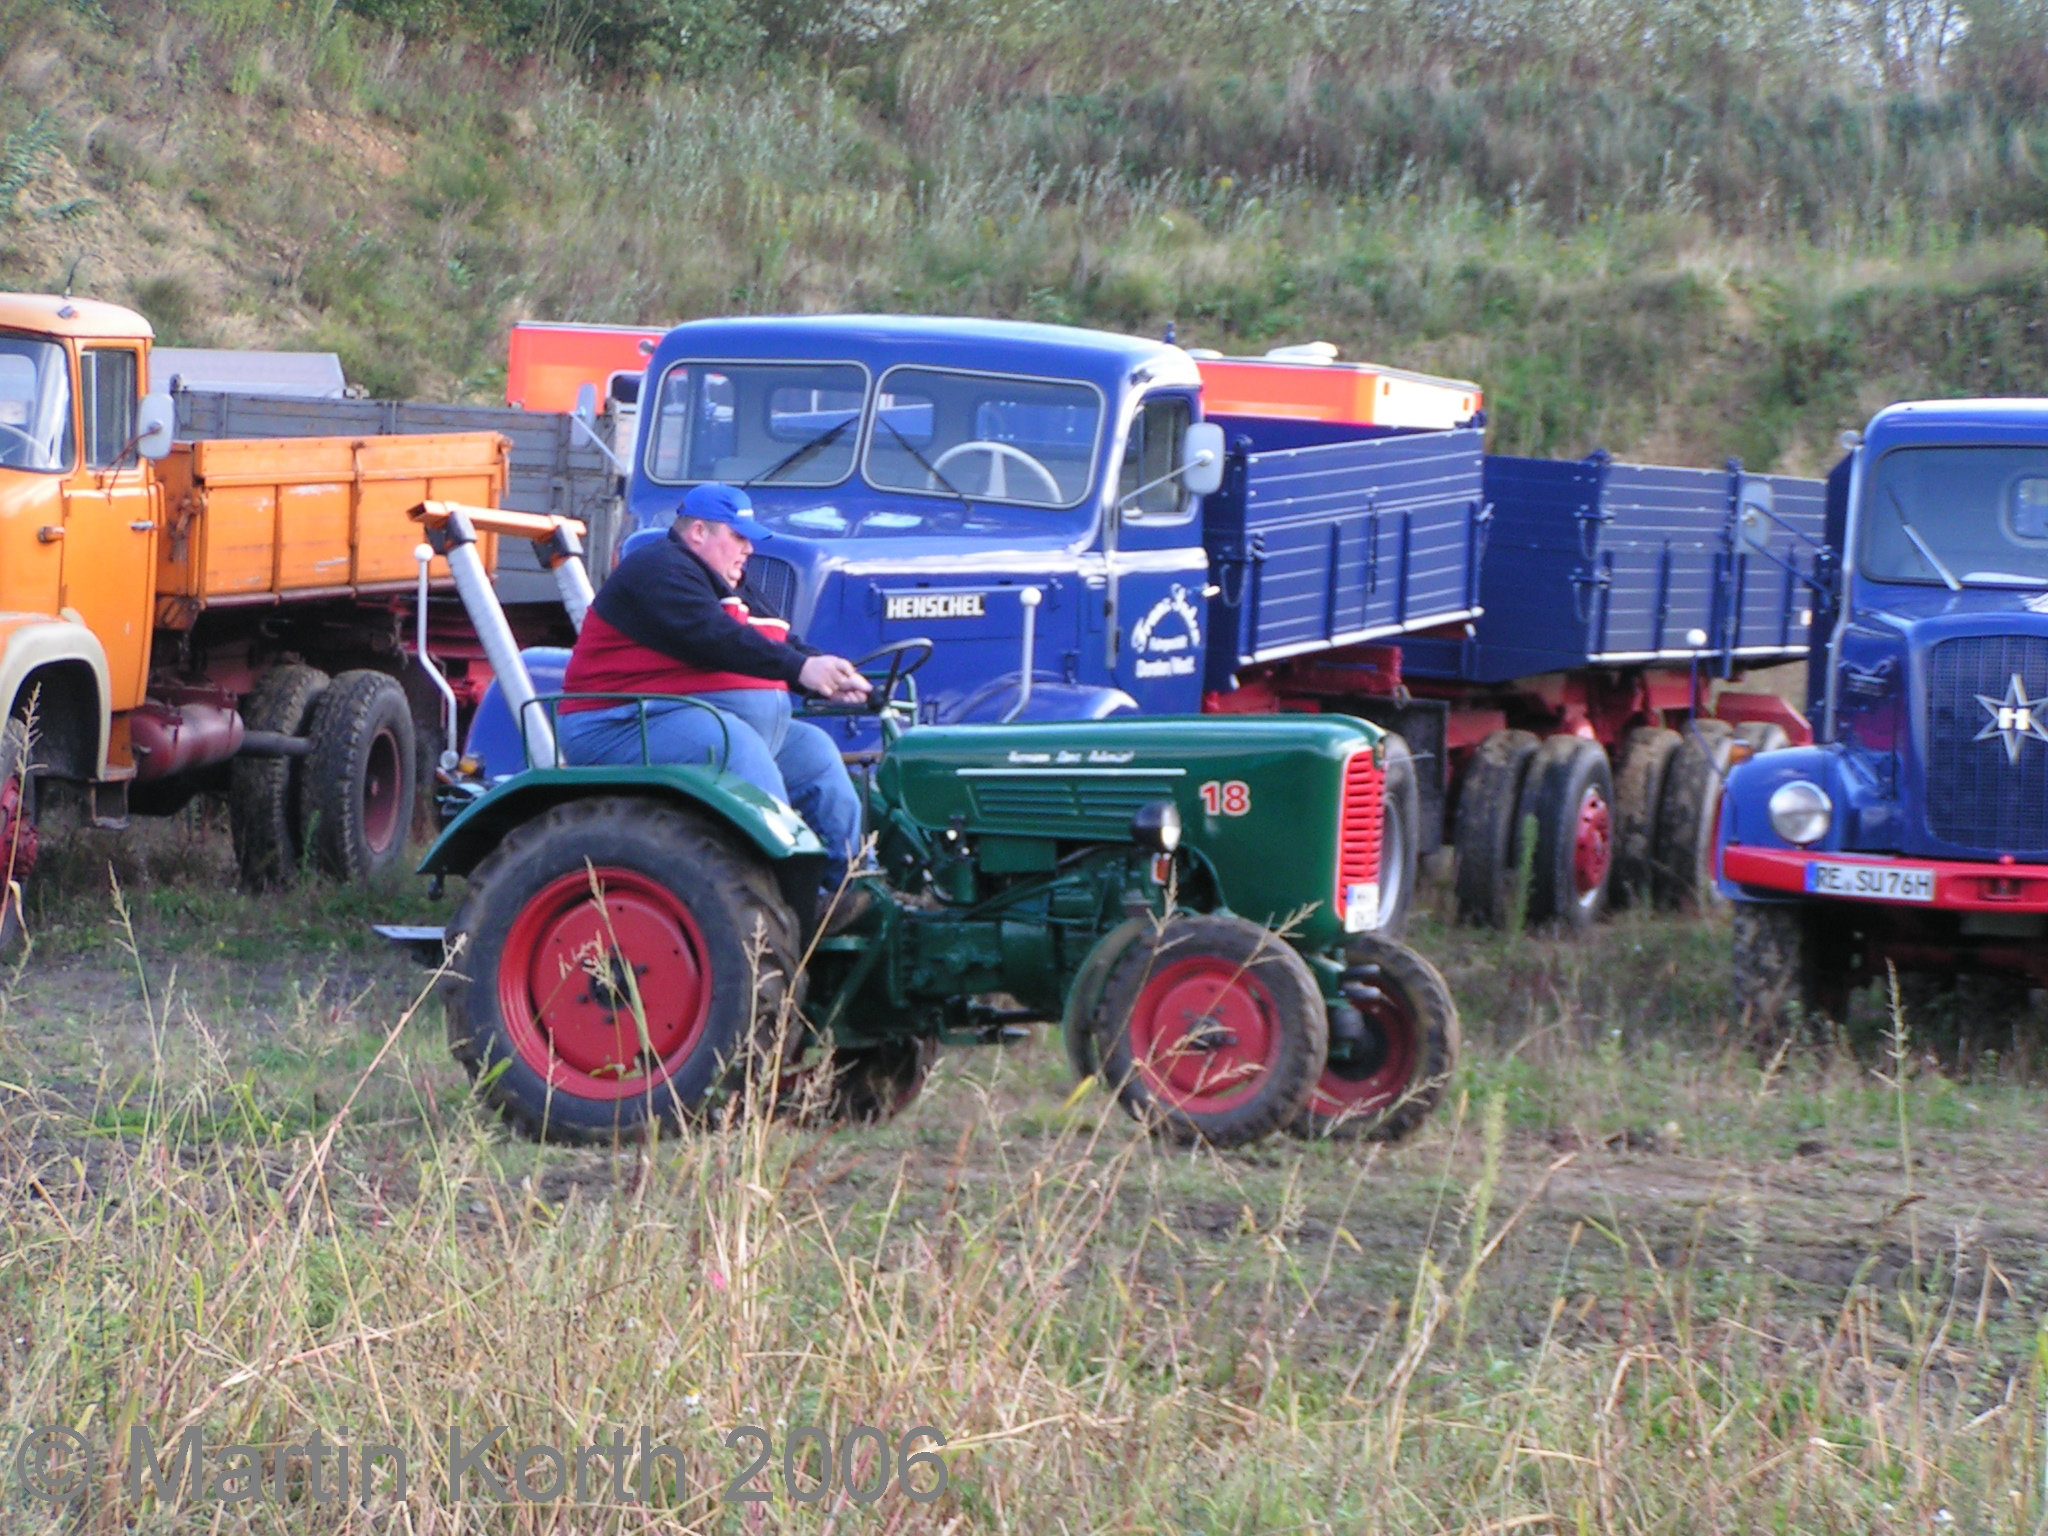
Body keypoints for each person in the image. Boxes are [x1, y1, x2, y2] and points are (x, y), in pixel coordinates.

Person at [557, 483, 873, 920]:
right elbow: (715, 638)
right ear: (699, 532)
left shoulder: (726, 581)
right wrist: (800, 671)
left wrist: (825, 674)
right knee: (735, 745)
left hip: (687, 717)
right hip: (618, 722)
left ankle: (853, 887)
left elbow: (776, 639)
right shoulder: (657, 569)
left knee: (816, 753)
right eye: (738, 537)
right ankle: (786, 902)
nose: (747, 549)